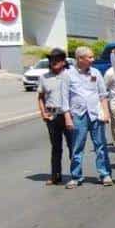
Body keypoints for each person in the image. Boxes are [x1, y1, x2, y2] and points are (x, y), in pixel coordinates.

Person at [65, 46, 113, 188]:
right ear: (80, 59)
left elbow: (103, 95)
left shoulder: (96, 73)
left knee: (100, 146)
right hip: (78, 115)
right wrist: (67, 118)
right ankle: (76, 176)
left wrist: (105, 113)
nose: (92, 60)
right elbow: (64, 99)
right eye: (89, 57)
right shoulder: (68, 75)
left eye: (92, 57)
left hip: (95, 114)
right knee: (77, 147)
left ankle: (105, 174)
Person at [36, 48, 74, 186]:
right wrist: (43, 112)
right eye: (51, 60)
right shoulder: (44, 77)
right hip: (52, 115)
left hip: (68, 115)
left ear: (63, 62)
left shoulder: (70, 75)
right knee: (56, 147)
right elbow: (40, 97)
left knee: (73, 146)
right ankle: (55, 175)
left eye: (57, 60)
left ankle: (75, 175)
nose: (54, 62)